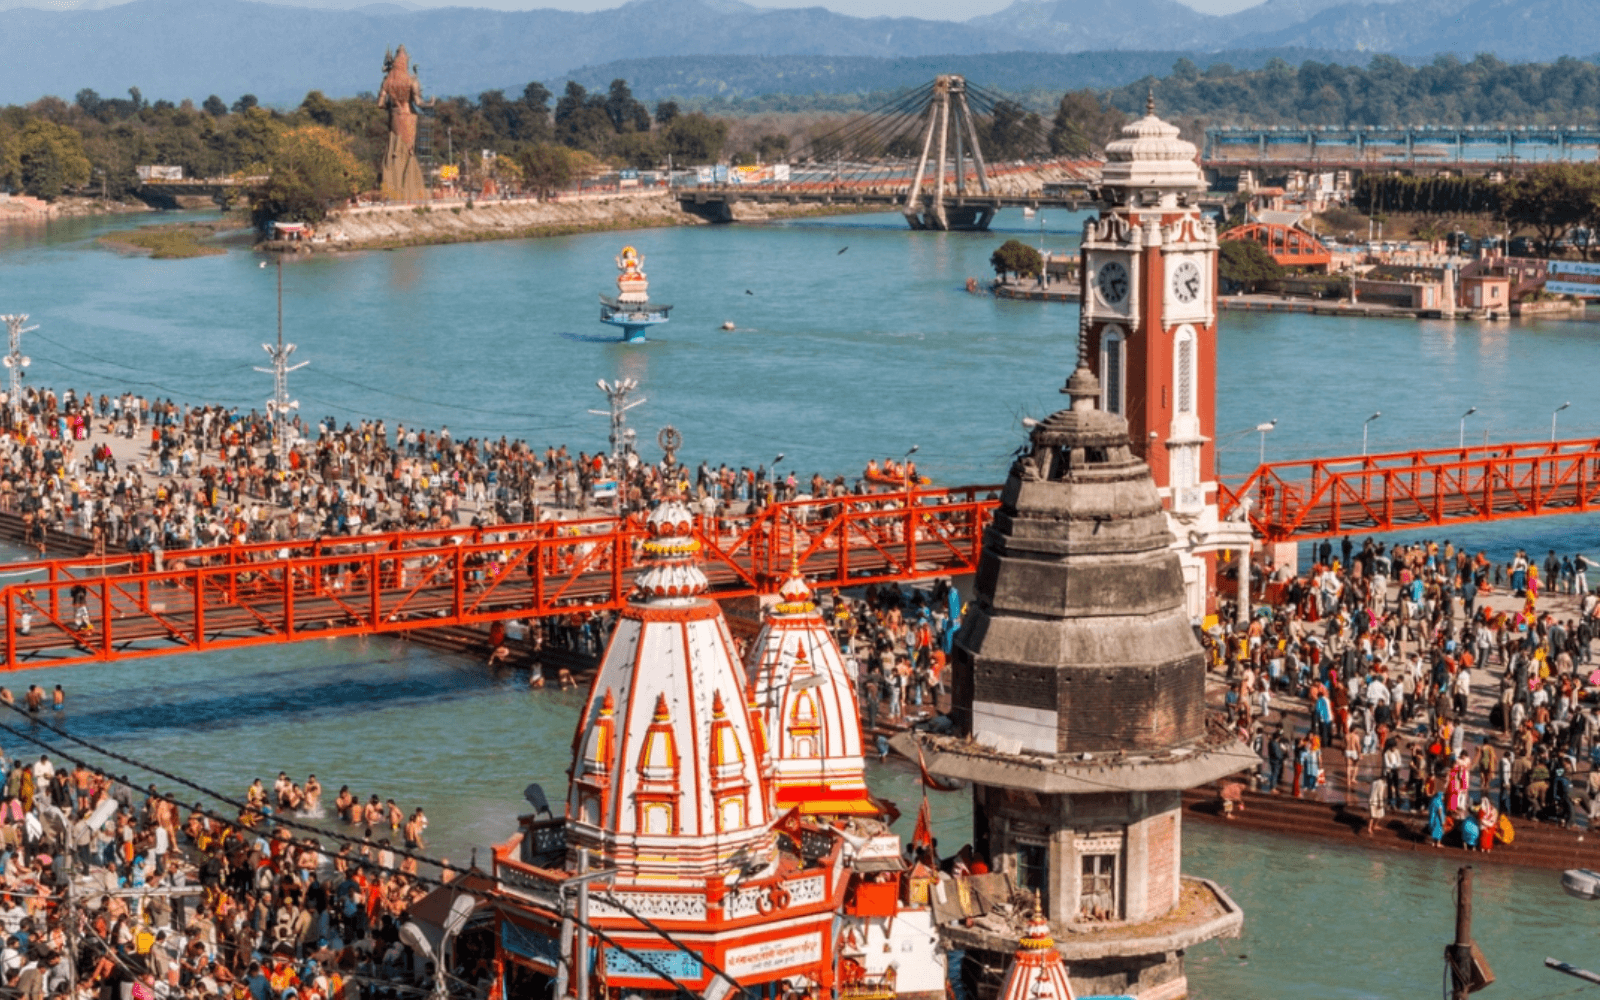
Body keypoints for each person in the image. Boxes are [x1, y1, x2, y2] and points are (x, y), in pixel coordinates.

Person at [1367, 771, 1387, 835]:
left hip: (1371, 800)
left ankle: (1371, 827)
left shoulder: (1374, 782)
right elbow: (1380, 795)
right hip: (1376, 801)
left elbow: (1370, 791)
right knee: (1380, 815)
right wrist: (1380, 804)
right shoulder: (1382, 784)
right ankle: (1372, 827)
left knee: (1372, 816)